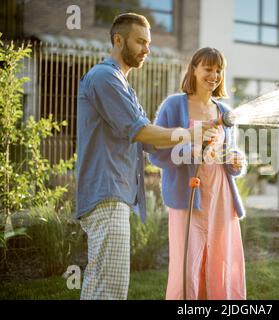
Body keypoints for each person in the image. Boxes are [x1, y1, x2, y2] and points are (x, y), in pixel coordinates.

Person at [76, 13, 212, 300]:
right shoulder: (105, 78)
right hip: (107, 193)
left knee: (102, 283)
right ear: (118, 40)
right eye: (140, 42)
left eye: (148, 43)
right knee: (108, 289)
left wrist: (195, 149)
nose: (146, 49)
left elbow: (152, 143)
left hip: (114, 194)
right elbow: (141, 132)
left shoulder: (124, 85)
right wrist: (190, 135)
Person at [149, 47, 247, 300]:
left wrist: (236, 161)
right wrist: (190, 150)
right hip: (188, 195)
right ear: (194, 69)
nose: (213, 75)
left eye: (218, 70)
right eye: (208, 69)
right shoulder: (174, 105)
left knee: (221, 259)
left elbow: (230, 156)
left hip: (220, 196)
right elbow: (155, 151)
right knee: (187, 263)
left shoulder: (224, 111)